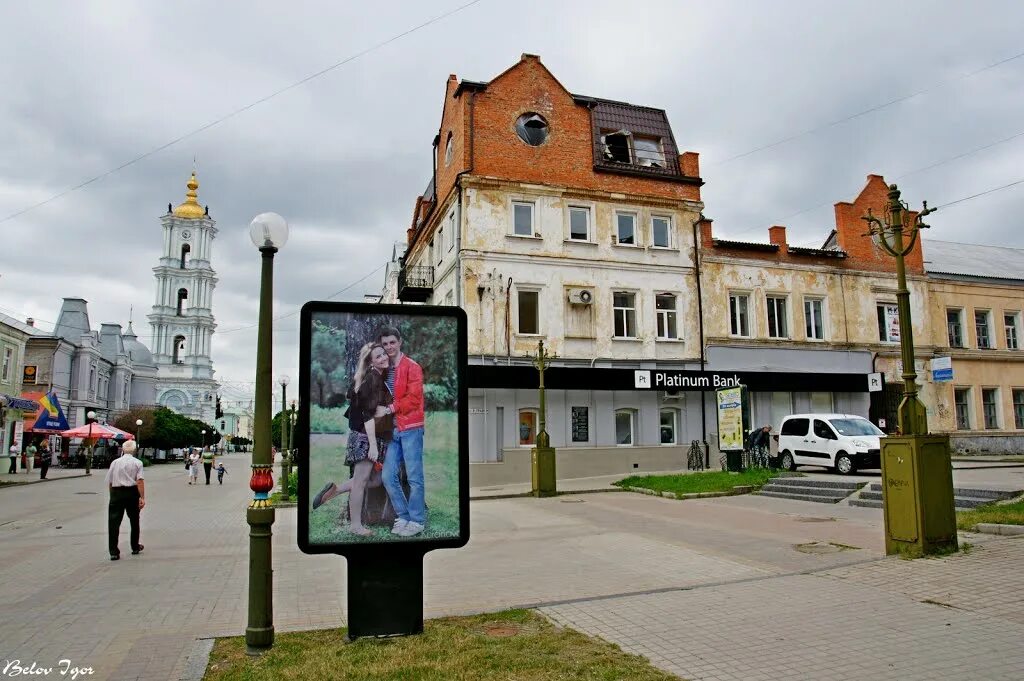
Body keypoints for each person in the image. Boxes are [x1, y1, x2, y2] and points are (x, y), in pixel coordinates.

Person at [312, 342, 393, 536]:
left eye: (384, 354)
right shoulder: (373, 380)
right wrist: (372, 446)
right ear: (372, 362)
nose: (384, 358)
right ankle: (355, 525)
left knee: (376, 479)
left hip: (368, 436)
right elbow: (368, 414)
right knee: (361, 482)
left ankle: (335, 490)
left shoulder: (367, 378)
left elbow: (352, 394)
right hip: (365, 436)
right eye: (378, 356)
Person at [377, 326, 425, 537]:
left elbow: (414, 399)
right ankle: (403, 516)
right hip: (392, 431)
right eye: (385, 343)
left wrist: (390, 409)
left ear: (400, 342)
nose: (389, 347)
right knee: (388, 476)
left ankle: (417, 520)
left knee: (414, 478)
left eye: (392, 342)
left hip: (411, 428)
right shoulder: (384, 368)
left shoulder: (412, 367)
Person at [105, 440, 144, 560]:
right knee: (134, 520)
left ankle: (114, 552)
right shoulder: (138, 462)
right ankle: (135, 546)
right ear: (134, 450)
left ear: (122, 449)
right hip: (132, 492)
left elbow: (110, 481)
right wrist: (142, 497)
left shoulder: (115, 462)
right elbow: (140, 481)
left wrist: (112, 495)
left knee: (113, 522)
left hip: (116, 492)